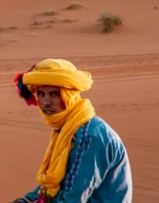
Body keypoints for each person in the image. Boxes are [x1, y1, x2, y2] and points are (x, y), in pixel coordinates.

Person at [12, 59, 132, 203]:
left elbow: (72, 198)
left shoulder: (89, 136)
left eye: (54, 94)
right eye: (41, 94)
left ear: (69, 95)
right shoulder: (68, 128)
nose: (45, 102)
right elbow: (53, 187)